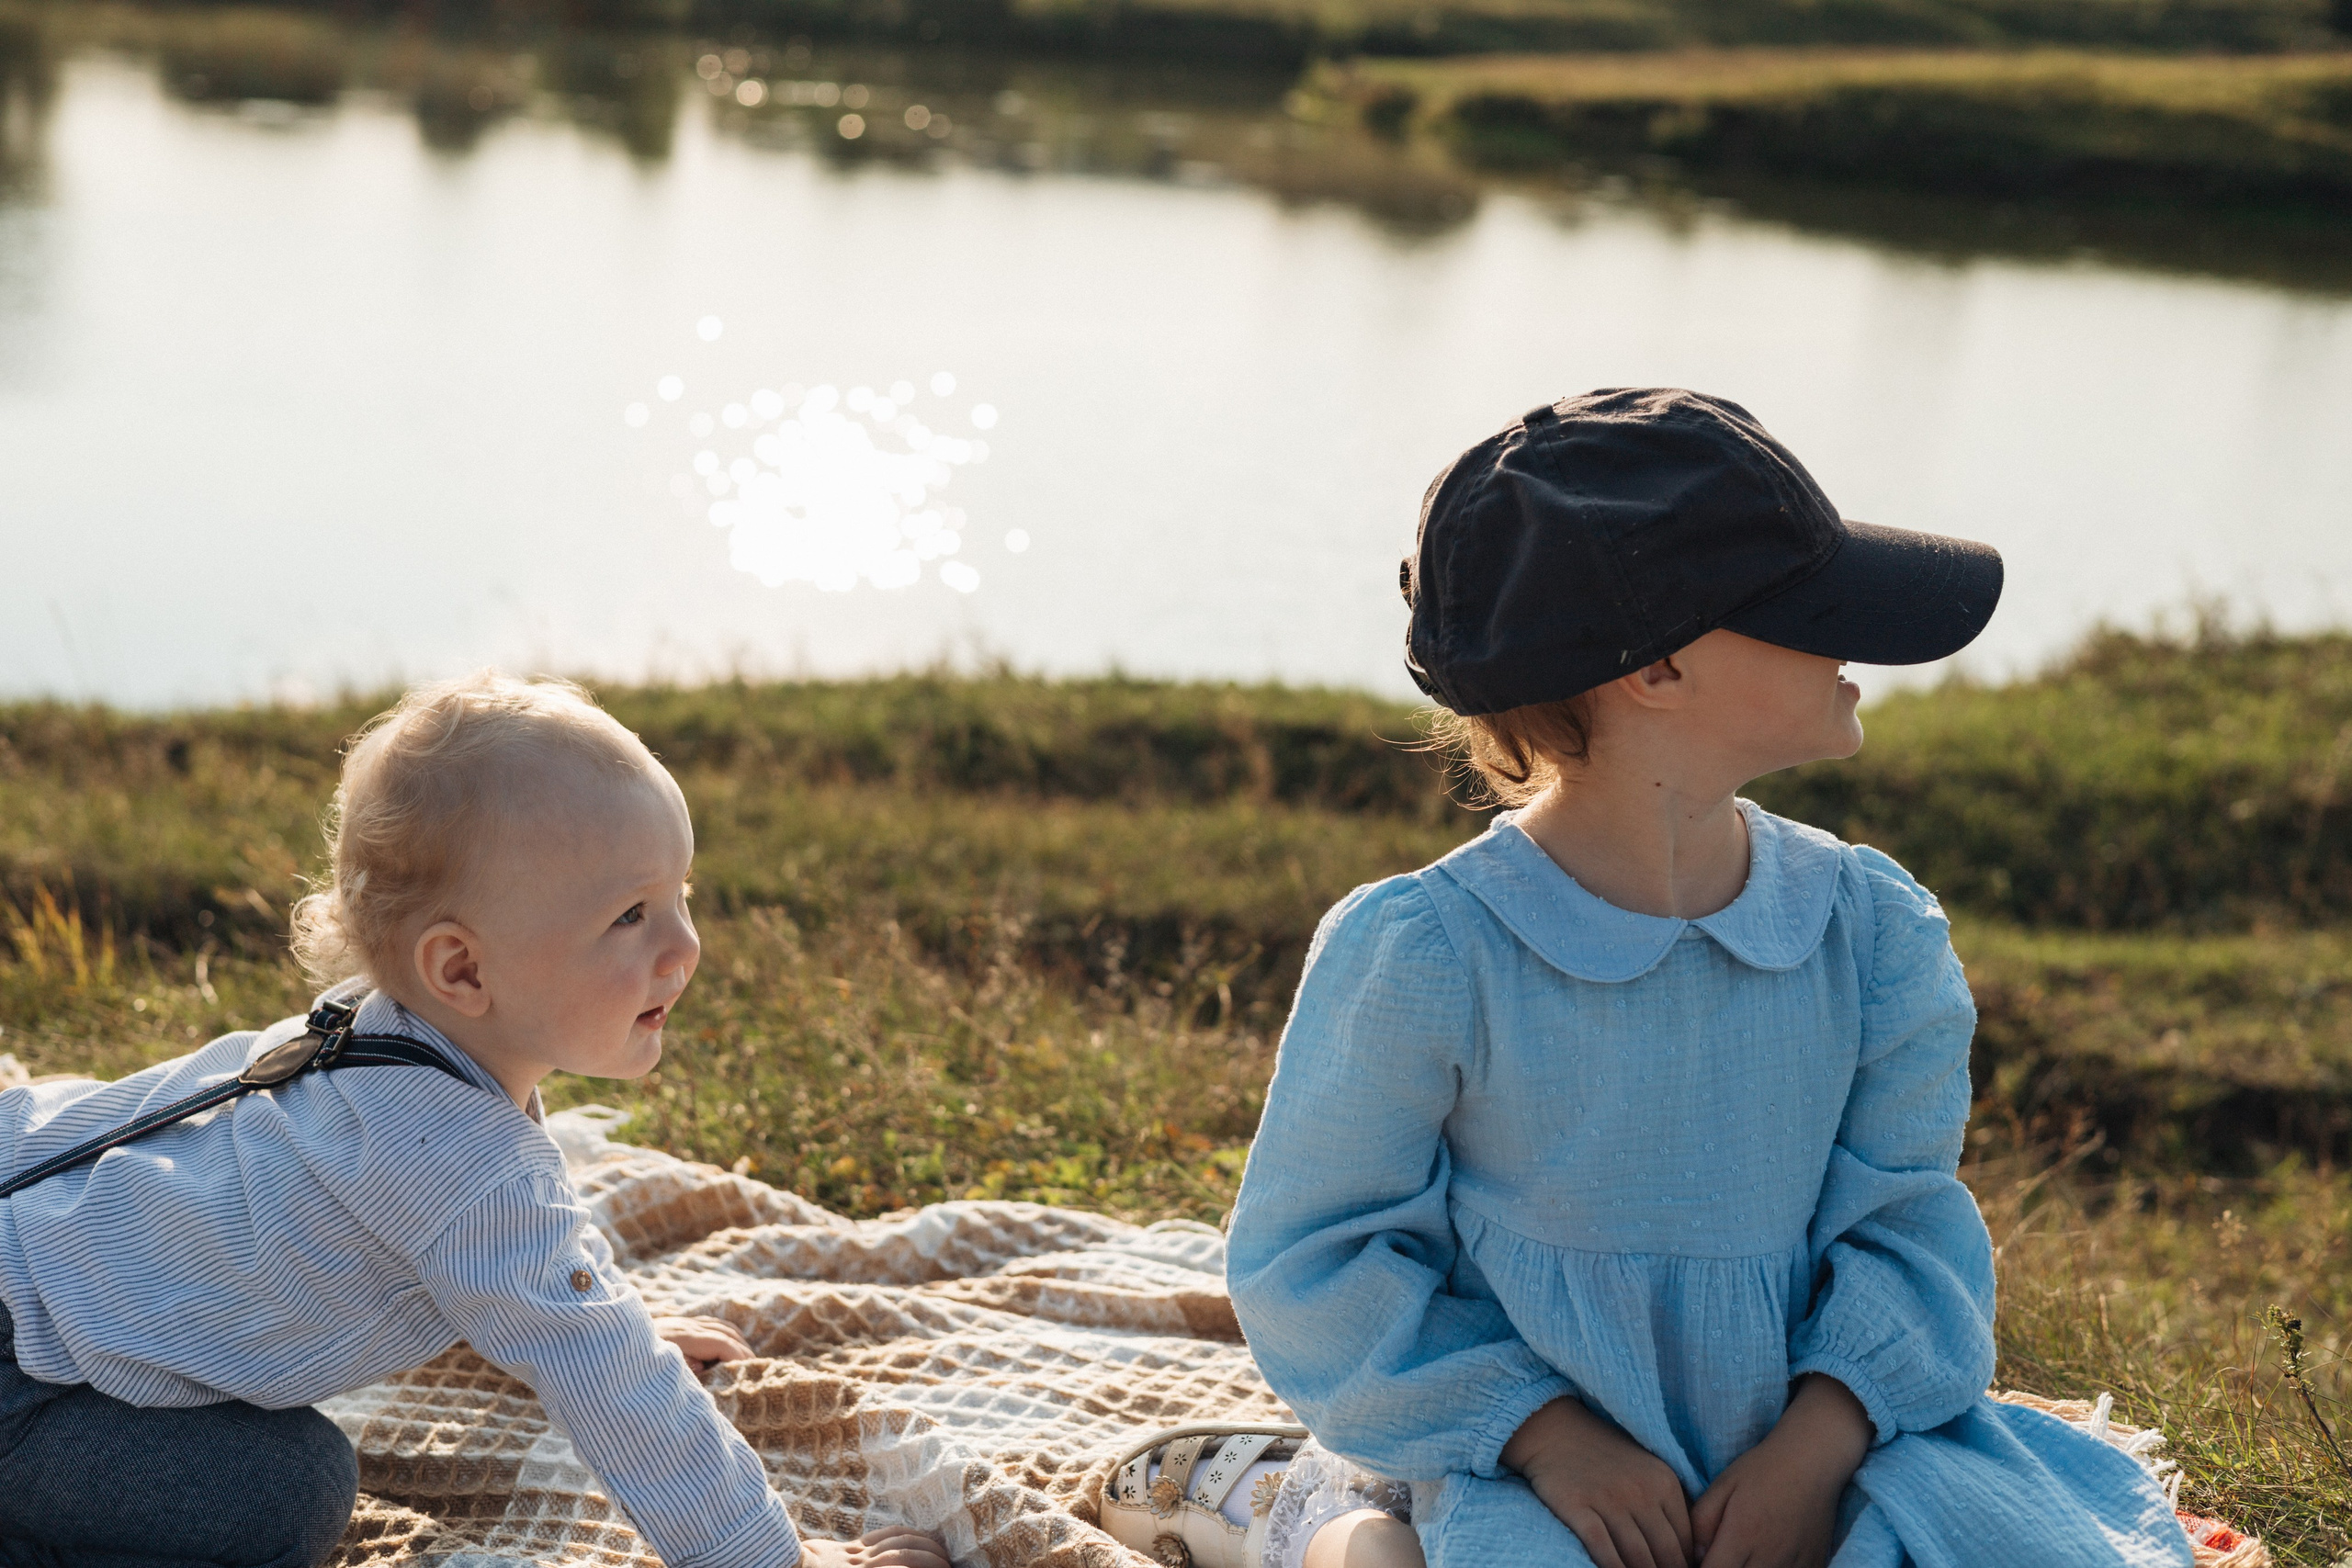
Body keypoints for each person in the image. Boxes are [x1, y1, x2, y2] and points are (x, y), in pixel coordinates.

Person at [1226, 389, 2196, 1568]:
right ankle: (1321, 1520)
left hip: (1821, 1441)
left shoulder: (1871, 931)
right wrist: (1542, 1436)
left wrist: (1818, 1443)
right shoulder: (1431, 953)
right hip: (1544, 1462)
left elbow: (1906, 1220)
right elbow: (1312, 1255)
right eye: (1806, 606)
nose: (1853, 638)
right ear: (1659, 670)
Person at [0, 673, 949, 1568]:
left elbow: (483, 1263)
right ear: (461, 971)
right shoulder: (471, 1172)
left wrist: (591, 1315)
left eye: (680, 898)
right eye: (630, 916)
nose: (684, 948)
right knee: (288, 1489)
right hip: (18, 1378)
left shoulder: (362, 1037)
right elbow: (615, 1387)